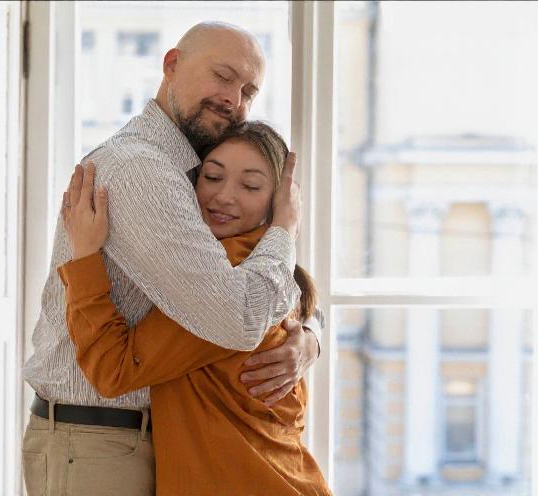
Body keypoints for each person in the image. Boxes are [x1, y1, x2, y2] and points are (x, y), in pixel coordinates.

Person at [19, 21, 323, 495]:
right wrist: (285, 229)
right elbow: (239, 318)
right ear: (171, 65)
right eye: (222, 75)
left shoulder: (197, 177)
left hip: (147, 441)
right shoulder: (145, 171)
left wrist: (309, 335)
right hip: (101, 444)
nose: (233, 99)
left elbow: (268, 294)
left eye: (248, 90)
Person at [58, 122, 329, 495]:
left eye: (250, 186)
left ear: (278, 204)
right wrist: (314, 334)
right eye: (213, 177)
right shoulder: (277, 273)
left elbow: (112, 369)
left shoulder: (233, 278)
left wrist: (85, 257)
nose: (224, 197)